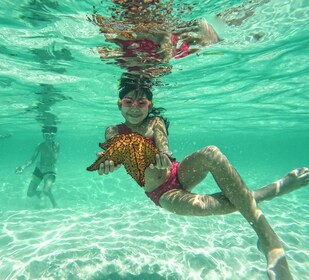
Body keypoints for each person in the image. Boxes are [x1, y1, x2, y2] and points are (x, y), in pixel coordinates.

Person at [93, 75, 309, 280]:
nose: (134, 108)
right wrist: (109, 162)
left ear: (150, 104)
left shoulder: (155, 122)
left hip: (179, 171)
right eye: (128, 102)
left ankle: (268, 240)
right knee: (210, 206)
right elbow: (115, 153)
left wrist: (163, 156)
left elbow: (164, 147)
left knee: (211, 153)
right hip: (163, 193)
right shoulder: (114, 130)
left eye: (141, 103)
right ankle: (268, 192)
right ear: (119, 104)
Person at [90, 0, 220, 78]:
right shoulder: (179, 50)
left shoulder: (118, 53)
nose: (144, 63)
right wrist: (166, 35)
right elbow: (203, 28)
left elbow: (100, 24)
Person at [15, 126, 59, 208]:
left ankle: (55, 205)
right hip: (39, 168)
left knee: (46, 191)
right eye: (46, 136)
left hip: (50, 170)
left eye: (52, 136)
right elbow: (32, 160)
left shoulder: (56, 145)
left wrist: (50, 147)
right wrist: (23, 167)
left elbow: (54, 160)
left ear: (54, 136)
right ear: (43, 136)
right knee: (30, 193)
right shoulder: (40, 146)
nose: (49, 138)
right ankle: (41, 194)